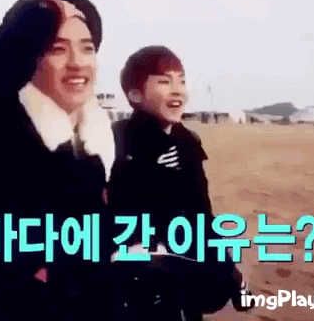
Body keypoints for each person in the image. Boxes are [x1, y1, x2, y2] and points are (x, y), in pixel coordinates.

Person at [0, 0, 115, 321]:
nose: (77, 63)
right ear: (29, 59)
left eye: (87, 48)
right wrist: (42, 10)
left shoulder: (99, 142)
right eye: (57, 49)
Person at [108, 46, 253, 320]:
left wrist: (229, 269)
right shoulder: (115, 139)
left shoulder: (187, 142)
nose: (177, 90)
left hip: (184, 261)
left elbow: (202, 214)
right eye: (165, 82)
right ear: (134, 94)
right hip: (135, 272)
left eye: (182, 81)